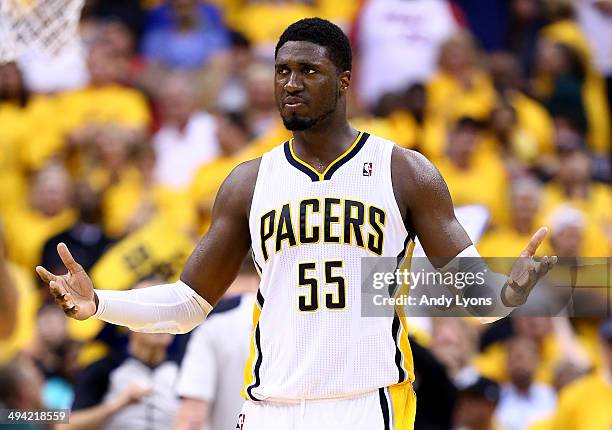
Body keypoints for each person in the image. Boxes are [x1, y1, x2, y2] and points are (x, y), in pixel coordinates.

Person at [36, 18, 557, 429]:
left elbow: (474, 298)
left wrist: (508, 295)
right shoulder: (248, 183)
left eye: (309, 71)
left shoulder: (405, 172)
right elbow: (188, 306)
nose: (291, 83)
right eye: (283, 70)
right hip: (272, 407)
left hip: (365, 404)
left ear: (345, 80)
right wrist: (99, 302)